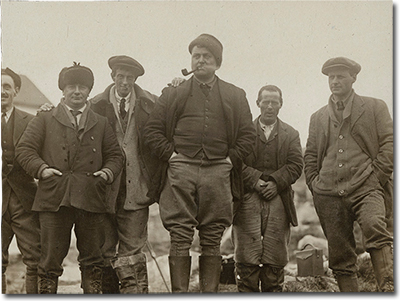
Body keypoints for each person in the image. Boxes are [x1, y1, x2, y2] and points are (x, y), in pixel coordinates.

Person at [144, 33, 256, 293]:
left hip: (218, 170)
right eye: (196, 56)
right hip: (180, 169)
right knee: (180, 234)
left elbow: (248, 136)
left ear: (217, 62)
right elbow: (152, 130)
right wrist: (171, 156)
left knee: (213, 235)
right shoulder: (174, 92)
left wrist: (229, 160)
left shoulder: (235, 94)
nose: (201, 61)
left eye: (207, 57)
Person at [15, 62, 123, 294]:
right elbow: (25, 150)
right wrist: (42, 169)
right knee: (50, 260)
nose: (77, 91)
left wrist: (107, 172)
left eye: (82, 87)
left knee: (93, 259)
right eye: (71, 86)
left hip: (90, 198)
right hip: (54, 199)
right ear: (62, 90)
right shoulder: (44, 119)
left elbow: (115, 155)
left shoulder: (101, 123)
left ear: (89, 91)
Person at [304, 57, 393, 292]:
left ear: (353, 78)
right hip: (328, 193)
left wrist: (377, 178)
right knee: (340, 252)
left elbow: (390, 142)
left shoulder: (375, 107)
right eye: (331, 77)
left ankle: (389, 288)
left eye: (340, 76)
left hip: (367, 185)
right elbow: (311, 153)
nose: (335, 81)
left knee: (375, 227)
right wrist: (315, 183)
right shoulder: (318, 117)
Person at [90, 55, 159, 293]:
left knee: (133, 252)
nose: (125, 82)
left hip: (137, 189)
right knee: (106, 250)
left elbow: (173, 116)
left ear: (136, 79)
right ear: (112, 77)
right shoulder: (95, 105)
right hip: (104, 190)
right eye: (121, 76)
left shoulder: (152, 104)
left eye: (130, 77)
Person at [232, 85, 303, 292]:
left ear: (281, 104)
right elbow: (236, 162)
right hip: (247, 196)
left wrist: (275, 182)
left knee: (275, 256)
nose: (270, 106)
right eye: (266, 101)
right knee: (246, 256)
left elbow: (296, 165)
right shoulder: (243, 132)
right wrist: (254, 180)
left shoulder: (291, 133)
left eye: (275, 102)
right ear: (258, 103)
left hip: (278, 197)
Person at [1, 68, 41, 294]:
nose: (2, 91)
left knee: (34, 259)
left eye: (7, 87)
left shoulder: (32, 121)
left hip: (24, 201)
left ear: (16, 91)